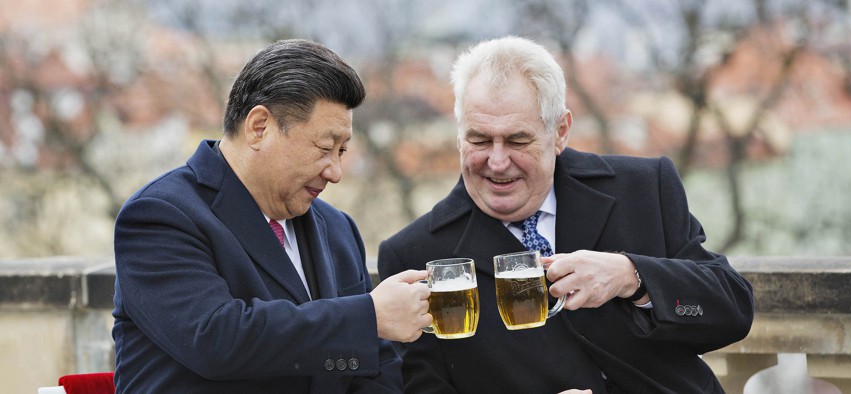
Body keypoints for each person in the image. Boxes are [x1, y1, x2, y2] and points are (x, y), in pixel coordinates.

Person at [377, 36, 754, 394]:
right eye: (478, 140)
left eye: (517, 140)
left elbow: (732, 311)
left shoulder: (642, 186)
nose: (496, 161)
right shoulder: (413, 253)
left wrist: (632, 277)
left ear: (560, 131)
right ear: (459, 135)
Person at [112, 39, 431, 393]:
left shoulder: (338, 229)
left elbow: (371, 364)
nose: (336, 171)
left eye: (342, 151)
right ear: (259, 127)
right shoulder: (160, 215)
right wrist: (367, 316)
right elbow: (217, 341)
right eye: (325, 148)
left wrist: (363, 331)